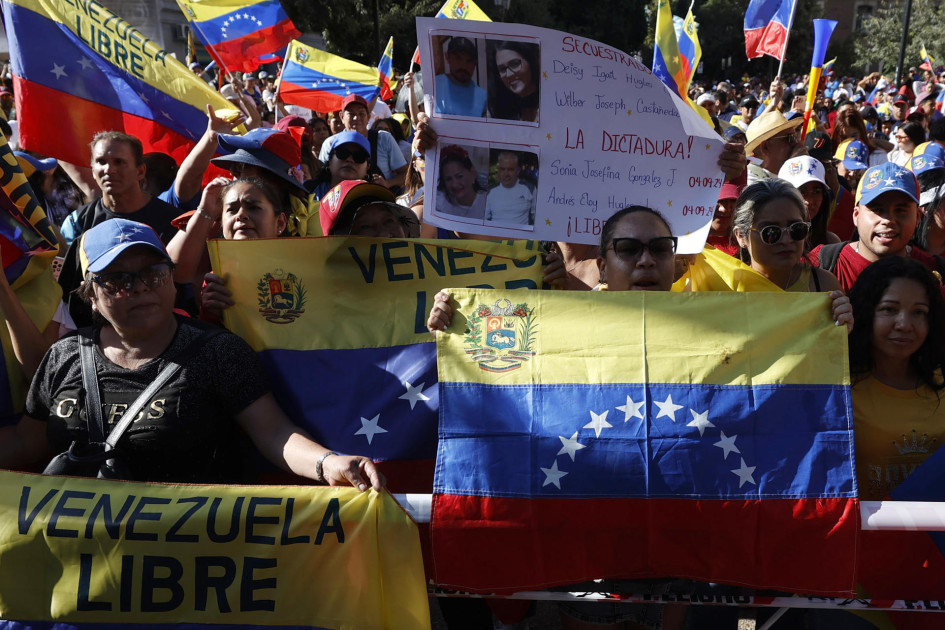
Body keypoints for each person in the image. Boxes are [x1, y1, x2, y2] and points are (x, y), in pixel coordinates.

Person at [0, 219, 384, 489]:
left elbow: (273, 432)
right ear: (91, 296)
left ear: (170, 277)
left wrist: (328, 464)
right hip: (75, 568)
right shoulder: (63, 356)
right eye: (118, 279)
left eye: (153, 273)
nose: (139, 287)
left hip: (184, 569)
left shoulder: (218, 351)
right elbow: (26, 443)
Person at [847, 256, 945, 500]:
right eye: (889, 310)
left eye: (919, 312)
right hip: (866, 535)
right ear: (865, 312)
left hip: (936, 537)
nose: (904, 324)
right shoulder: (837, 387)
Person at [808, 161, 940, 291]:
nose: (888, 220)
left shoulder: (935, 270)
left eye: (900, 211)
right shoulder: (818, 265)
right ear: (856, 215)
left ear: (917, 217)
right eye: (877, 210)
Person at [732, 179, 844, 294]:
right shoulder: (728, 288)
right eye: (771, 232)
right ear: (741, 236)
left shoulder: (824, 284)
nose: (786, 240)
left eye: (796, 229)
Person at [317, 95, 407, 191]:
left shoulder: (383, 139)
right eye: (351, 114)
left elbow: (406, 174)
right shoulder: (330, 143)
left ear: (368, 117)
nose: (356, 118)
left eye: (361, 114)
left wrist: (387, 183)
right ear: (342, 117)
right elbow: (321, 176)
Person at [777, 156, 840, 246]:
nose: (809, 201)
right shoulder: (771, 239)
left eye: (817, 191)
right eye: (801, 191)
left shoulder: (831, 243)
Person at [306, 130, 371, 199]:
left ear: (367, 167)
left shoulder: (374, 201)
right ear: (330, 160)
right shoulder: (306, 190)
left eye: (359, 156)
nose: (349, 160)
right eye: (343, 153)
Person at [434, 36, 488, 117]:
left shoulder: (482, 96)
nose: (463, 65)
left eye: (469, 61)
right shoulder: (433, 85)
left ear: (475, 64)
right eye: (458, 58)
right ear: (447, 57)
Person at [488, 40, 540, 123]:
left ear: (530, 60)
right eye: (502, 69)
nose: (509, 74)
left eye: (515, 64)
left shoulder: (549, 101)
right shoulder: (498, 108)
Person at [745, 110, 803, 183]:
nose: (796, 142)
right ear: (765, 147)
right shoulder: (750, 180)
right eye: (789, 138)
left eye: (795, 136)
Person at [436, 145, 488, 220]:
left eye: (459, 176)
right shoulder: (441, 205)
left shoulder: (488, 201)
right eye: (448, 179)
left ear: (472, 173)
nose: (455, 184)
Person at [485, 151, 534, 225]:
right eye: (502, 169)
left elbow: (537, 218)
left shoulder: (530, 189)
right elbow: (484, 218)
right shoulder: (490, 191)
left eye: (510, 169)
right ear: (498, 170)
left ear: (517, 171)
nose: (506, 174)